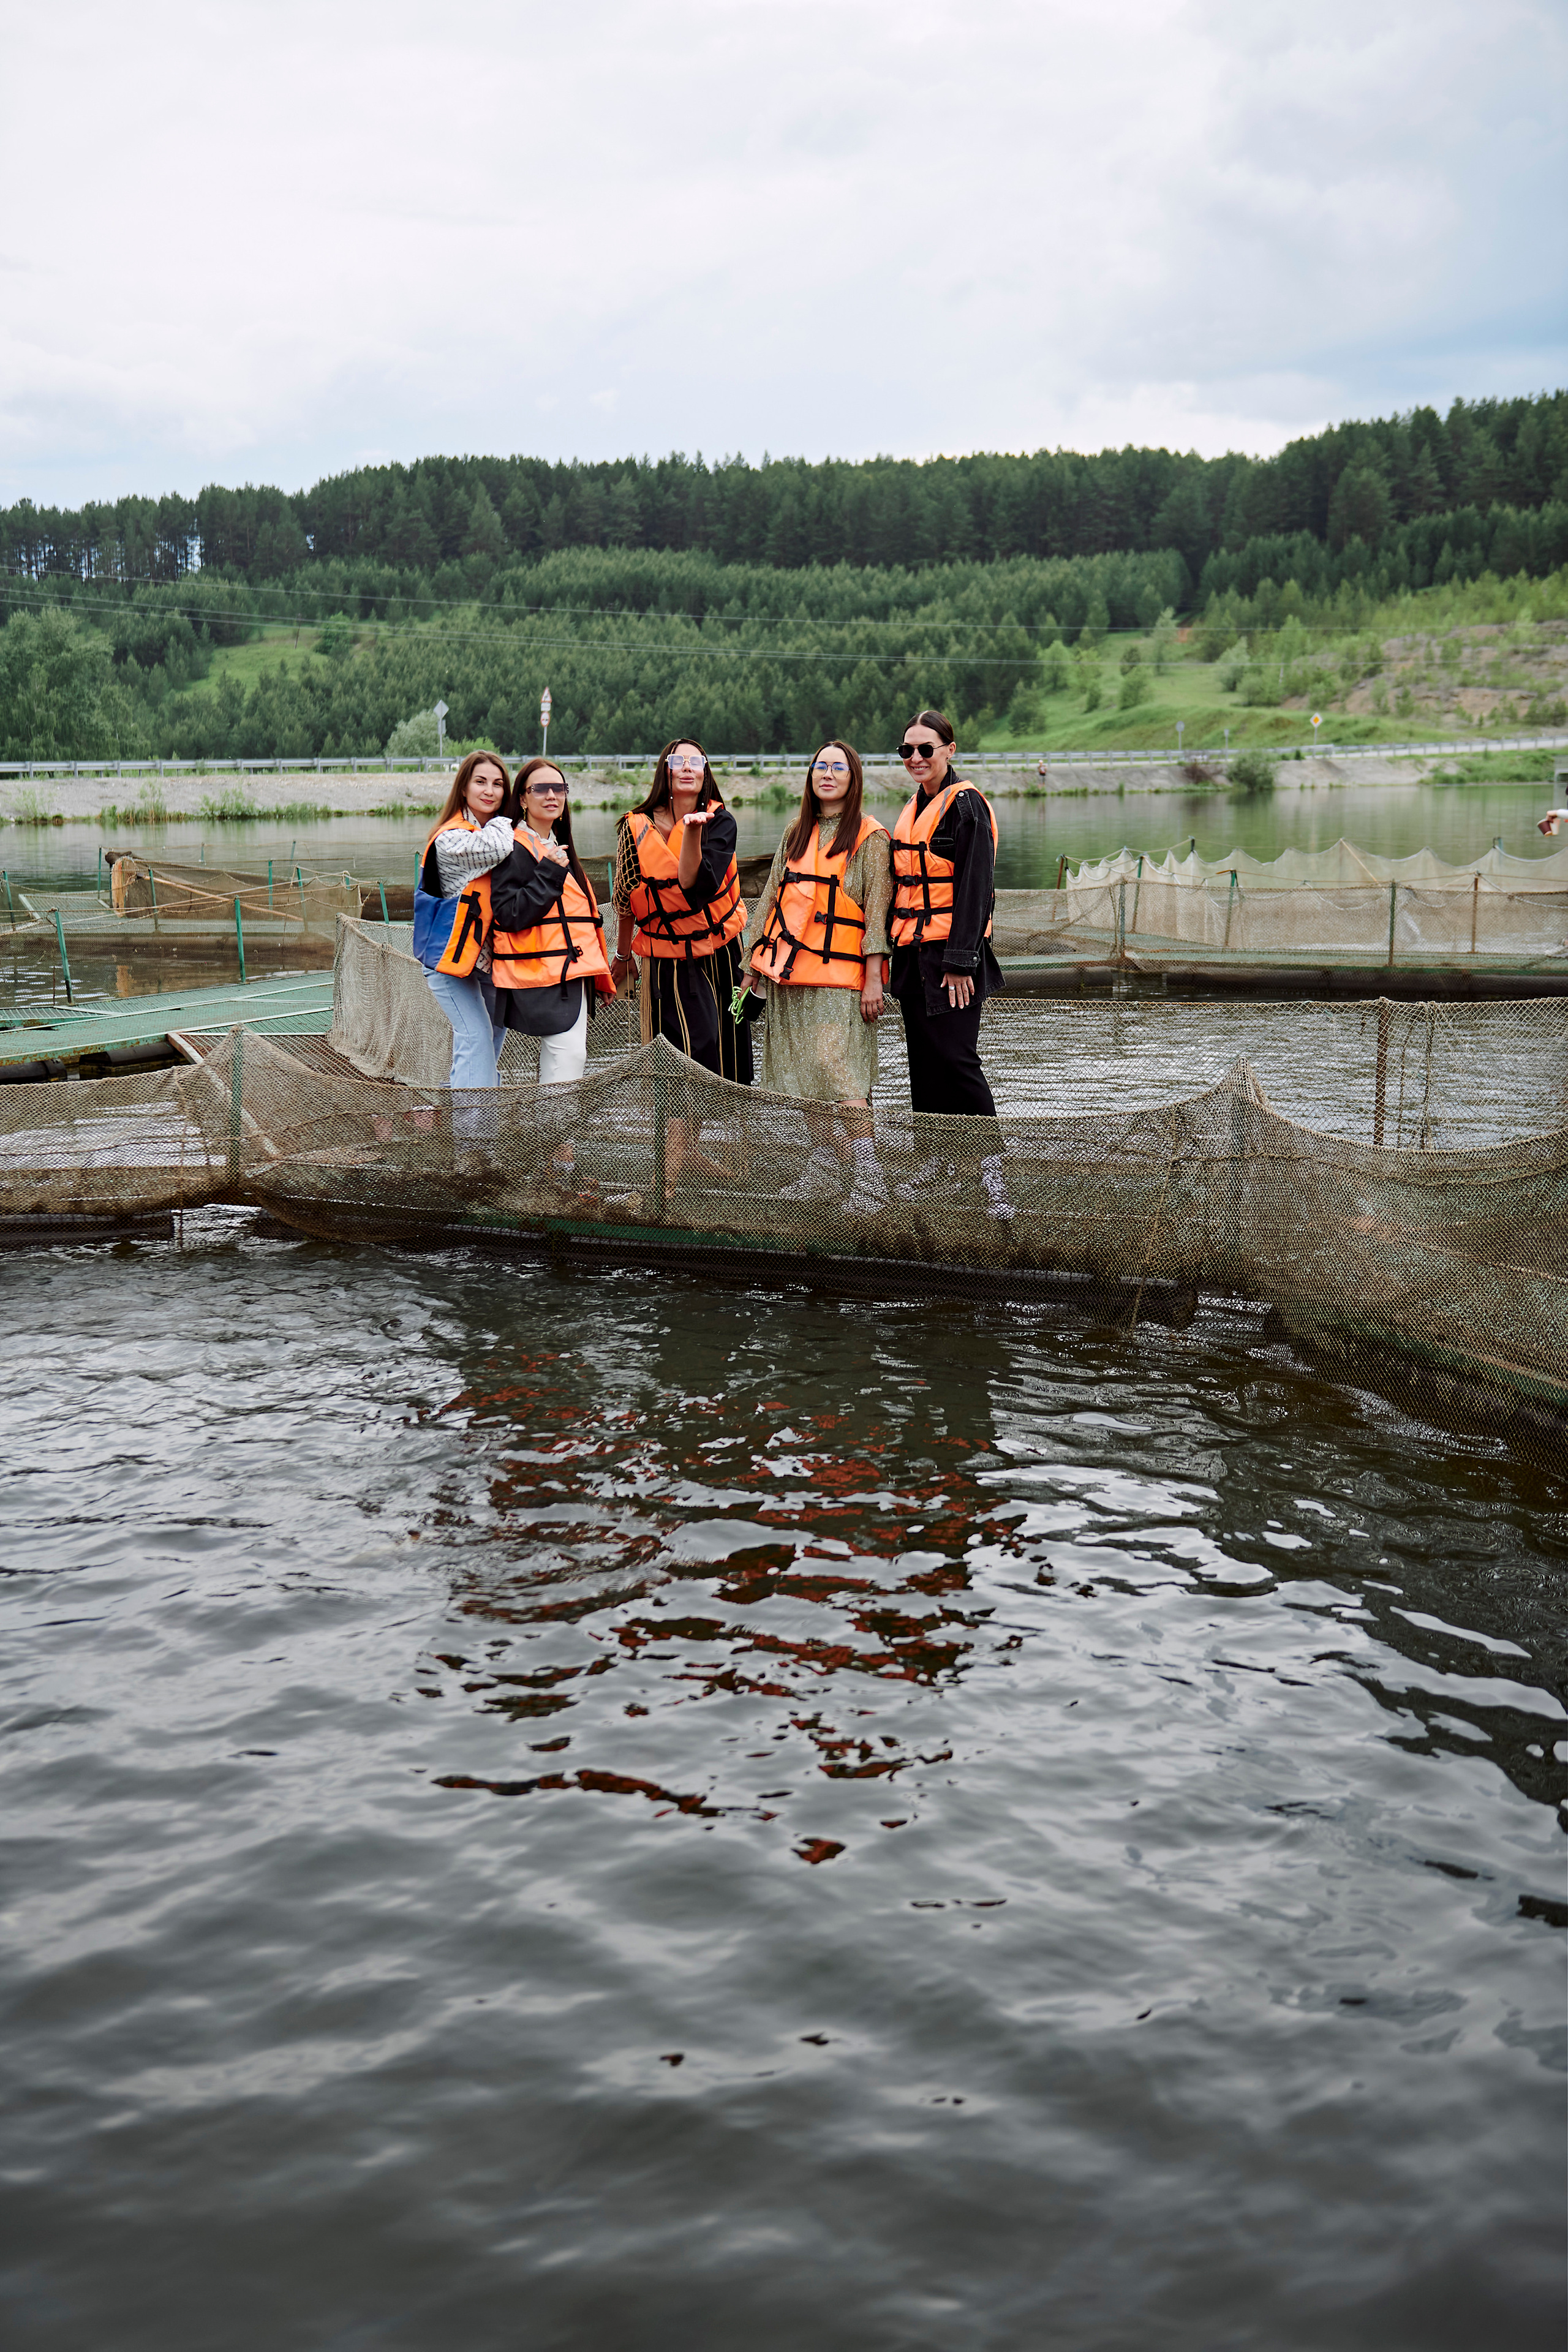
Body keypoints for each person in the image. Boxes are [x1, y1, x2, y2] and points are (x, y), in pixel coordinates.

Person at [741, 739, 892, 1215]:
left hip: (839, 982)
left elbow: (876, 916)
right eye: (820, 766)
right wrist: (751, 968)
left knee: (841, 1077)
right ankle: (826, 1165)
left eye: (839, 768)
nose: (827, 774)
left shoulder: (871, 838)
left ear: (854, 779)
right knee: (804, 1078)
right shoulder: (795, 832)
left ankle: (870, 1180)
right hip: (789, 977)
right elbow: (768, 901)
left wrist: (873, 981)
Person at [888, 709, 1013, 1219]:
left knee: (958, 1061)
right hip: (912, 956)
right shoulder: (913, 806)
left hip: (951, 959)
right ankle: (937, 1162)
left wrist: (960, 963)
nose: (915, 758)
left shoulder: (967, 807)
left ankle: (992, 1174)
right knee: (925, 1062)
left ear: (950, 750)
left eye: (925, 749)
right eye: (907, 751)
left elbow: (974, 890)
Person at [612, 737, 752, 1185]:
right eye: (678, 761)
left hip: (722, 953)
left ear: (705, 770)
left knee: (726, 1055)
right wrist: (622, 955)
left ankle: (690, 1149)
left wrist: (694, 829)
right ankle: (668, 1172)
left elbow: (700, 887)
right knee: (683, 1054)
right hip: (667, 959)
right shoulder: (634, 827)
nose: (687, 768)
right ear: (666, 770)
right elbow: (625, 900)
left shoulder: (721, 821)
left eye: (696, 761)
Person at [489, 759, 615, 1086]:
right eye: (540, 788)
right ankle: (555, 1134)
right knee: (568, 1056)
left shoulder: (559, 847)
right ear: (522, 799)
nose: (551, 795)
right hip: (540, 973)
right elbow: (508, 914)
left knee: (568, 1057)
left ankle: (553, 1134)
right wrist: (549, 873)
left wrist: (600, 974)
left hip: (569, 971)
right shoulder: (513, 847)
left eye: (558, 788)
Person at [412, 750, 514, 1095]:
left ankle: (469, 1125)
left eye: (498, 784)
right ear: (464, 788)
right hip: (449, 961)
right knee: (476, 1037)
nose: (490, 791)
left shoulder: (482, 830)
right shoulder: (452, 839)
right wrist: (510, 818)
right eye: (481, 782)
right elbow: (500, 846)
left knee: (491, 1037)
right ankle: (475, 1138)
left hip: (484, 959)